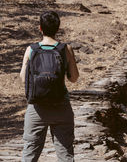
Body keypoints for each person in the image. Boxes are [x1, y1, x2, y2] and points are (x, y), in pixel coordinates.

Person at [20, 11, 79, 162]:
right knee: (65, 154)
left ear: (40, 28)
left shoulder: (31, 50)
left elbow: (23, 78)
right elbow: (74, 78)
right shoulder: (65, 49)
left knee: (29, 155)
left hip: (37, 108)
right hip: (61, 107)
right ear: (58, 28)